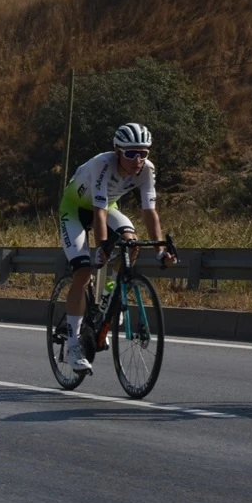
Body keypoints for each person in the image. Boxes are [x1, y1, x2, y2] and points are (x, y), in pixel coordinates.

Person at [59, 123, 176, 373]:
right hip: (76, 209)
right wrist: (101, 247)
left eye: (143, 153)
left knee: (131, 243)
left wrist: (160, 251)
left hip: (107, 208)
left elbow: (149, 211)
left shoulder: (147, 170)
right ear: (117, 151)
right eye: (131, 153)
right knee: (82, 270)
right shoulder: (103, 164)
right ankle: (72, 345)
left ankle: (110, 295)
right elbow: (98, 213)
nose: (138, 159)